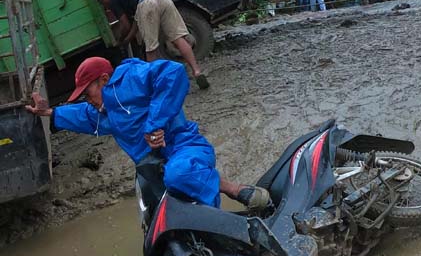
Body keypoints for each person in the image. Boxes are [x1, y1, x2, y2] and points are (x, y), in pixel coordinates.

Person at [25, 56, 270, 210]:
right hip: (153, 165)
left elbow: (173, 72)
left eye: (88, 93)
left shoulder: (131, 77)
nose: (88, 100)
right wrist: (49, 112)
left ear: (104, 79)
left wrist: (155, 124)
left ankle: (232, 189)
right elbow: (82, 115)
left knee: (178, 174)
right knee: (158, 209)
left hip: (184, 146)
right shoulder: (104, 111)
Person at [92, 0, 208, 89]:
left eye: (102, 3)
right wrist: (127, 40)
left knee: (151, 49)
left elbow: (125, 25)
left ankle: (155, 85)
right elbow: (137, 21)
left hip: (147, 3)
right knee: (178, 38)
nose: (105, 7)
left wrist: (120, 39)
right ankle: (197, 71)